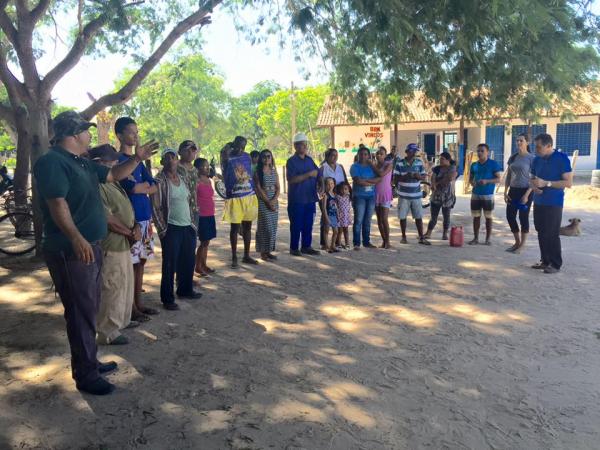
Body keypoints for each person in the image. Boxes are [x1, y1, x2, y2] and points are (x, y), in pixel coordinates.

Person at [33, 110, 157, 395]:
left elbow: (113, 174)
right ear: (74, 135)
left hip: (92, 246)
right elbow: (57, 203)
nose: (90, 136)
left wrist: (136, 158)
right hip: (71, 250)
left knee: (89, 307)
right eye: (86, 132)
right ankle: (85, 374)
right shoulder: (52, 162)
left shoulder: (83, 163)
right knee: (80, 311)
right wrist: (76, 237)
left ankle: (89, 361)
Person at [90, 144, 139, 346]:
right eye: (112, 161)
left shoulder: (113, 182)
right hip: (111, 244)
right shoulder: (98, 184)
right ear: (100, 163)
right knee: (111, 287)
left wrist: (134, 226)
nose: (116, 163)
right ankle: (107, 332)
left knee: (123, 285)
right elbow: (107, 218)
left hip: (123, 243)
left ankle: (118, 323)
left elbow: (124, 208)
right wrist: (129, 232)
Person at [114, 117, 159, 322]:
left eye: (136, 131)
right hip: (130, 221)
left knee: (141, 262)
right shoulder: (119, 161)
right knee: (130, 264)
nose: (135, 135)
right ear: (120, 135)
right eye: (131, 132)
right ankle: (130, 308)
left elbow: (153, 185)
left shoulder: (138, 163)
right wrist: (143, 189)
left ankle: (138, 303)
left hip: (145, 220)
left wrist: (143, 189)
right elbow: (131, 188)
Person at [152, 148, 202, 311]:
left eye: (173, 158)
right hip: (171, 227)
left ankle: (185, 290)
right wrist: (163, 229)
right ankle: (167, 298)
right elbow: (156, 207)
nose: (171, 161)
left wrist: (193, 222)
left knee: (188, 260)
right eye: (167, 158)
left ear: (177, 161)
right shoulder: (159, 180)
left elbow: (189, 200)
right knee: (169, 264)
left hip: (187, 225)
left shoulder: (182, 178)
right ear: (162, 162)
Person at [530, 133, 573, 274]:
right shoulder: (536, 160)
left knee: (552, 233)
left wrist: (546, 183)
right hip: (539, 201)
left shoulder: (562, 159)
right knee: (541, 231)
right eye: (535, 146)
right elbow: (532, 178)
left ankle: (555, 264)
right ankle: (545, 261)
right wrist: (534, 187)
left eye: (539, 147)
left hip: (554, 202)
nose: (536, 150)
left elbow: (568, 183)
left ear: (549, 146)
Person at [222, 136, 258, 268]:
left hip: (249, 195)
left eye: (243, 147)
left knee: (248, 227)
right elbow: (223, 153)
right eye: (238, 146)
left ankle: (246, 255)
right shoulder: (227, 157)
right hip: (234, 196)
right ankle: (234, 257)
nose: (240, 149)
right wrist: (228, 146)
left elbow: (251, 173)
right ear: (233, 144)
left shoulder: (247, 156)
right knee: (235, 228)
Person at [286, 133, 320, 256]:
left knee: (308, 224)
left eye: (305, 144)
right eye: (301, 144)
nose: (304, 147)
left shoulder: (310, 160)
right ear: (295, 146)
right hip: (297, 199)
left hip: (310, 198)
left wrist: (321, 183)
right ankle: (294, 248)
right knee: (296, 224)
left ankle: (306, 246)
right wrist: (309, 175)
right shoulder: (291, 162)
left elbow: (317, 173)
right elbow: (291, 180)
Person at [393, 143, 430, 245]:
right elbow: (395, 180)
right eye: (412, 151)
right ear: (407, 152)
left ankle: (421, 237)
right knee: (402, 217)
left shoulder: (419, 163)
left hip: (416, 195)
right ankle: (403, 237)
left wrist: (418, 176)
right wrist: (406, 176)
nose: (414, 153)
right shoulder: (399, 163)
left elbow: (423, 177)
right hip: (403, 196)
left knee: (418, 217)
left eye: (415, 151)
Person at [504, 134, 535, 253]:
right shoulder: (513, 157)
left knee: (523, 217)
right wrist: (505, 191)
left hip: (526, 191)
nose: (518, 142)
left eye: (521, 140)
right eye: (517, 140)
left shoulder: (532, 158)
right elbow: (509, 175)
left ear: (527, 142)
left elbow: (534, 178)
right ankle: (516, 242)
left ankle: (522, 245)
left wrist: (527, 195)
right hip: (513, 190)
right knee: (510, 216)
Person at [468, 143, 503, 245]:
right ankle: (475, 238)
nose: (479, 153)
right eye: (478, 151)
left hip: (488, 195)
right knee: (476, 217)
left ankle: (488, 239)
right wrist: (472, 182)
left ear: (487, 152)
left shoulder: (493, 164)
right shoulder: (474, 165)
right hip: (475, 194)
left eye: (482, 151)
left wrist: (487, 181)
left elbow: (498, 179)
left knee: (488, 217)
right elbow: (470, 178)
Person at [350, 146, 381, 250]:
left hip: (371, 196)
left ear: (369, 155)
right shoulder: (354, 167)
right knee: (358, 220)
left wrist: (367, 181)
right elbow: (358, 181)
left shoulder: (372, 166)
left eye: (366, 154)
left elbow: (380, 177)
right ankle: (356, 243)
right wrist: (372, 181)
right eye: (361, 154)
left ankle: (366, 242)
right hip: (359, 197)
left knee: (367, 220)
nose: (363, 156)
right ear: (358, 155)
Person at [318, 148, 349, 249]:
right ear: (327, 156)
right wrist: (322, 193)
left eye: (336, 155)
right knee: (325, 217)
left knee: (337, 217)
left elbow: (345, 181)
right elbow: (319, 182)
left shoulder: (340, 167)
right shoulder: (323, 167)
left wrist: (349, 193)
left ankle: (336, 242)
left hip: (338, 197)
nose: (335, 157)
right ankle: (324, 243)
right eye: (332, 155)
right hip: (326, 196)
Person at [254, 149, 280, 261]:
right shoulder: (258, 172)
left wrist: (274, 200)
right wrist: (268, 202)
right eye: (264, 156)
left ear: (271, 158)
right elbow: (258, 189)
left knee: (273, 228)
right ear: (261, 158)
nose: (267, 158)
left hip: (274, 200)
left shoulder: (274, 171)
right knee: (265, 227)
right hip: (263, 201)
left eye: (269, 156)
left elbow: (278, 188)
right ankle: (263, 253)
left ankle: (268, 251)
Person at [425, 152, 457, 240]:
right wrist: (433, 184)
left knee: (446, 216)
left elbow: (449, 178)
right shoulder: (437, 169)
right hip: (436, 196)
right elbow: (433, 178)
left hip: (447, 197)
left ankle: (445, 234)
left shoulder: (452, 168)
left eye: (442, 159)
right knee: (433, 217)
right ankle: (428, 233)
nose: (440, 160)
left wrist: (436, 184)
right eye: (440, 159)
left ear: (448, 160)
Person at [193, 158, 216, 276]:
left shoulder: (208, 180)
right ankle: (198, 266)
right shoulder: (196, 181)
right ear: (197, 168)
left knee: (207, 242)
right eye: (205, 167)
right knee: (203, 241)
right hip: (201, 215)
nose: (208, 169)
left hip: (210, 214)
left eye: (208, 167)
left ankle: (204, 264)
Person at [374, 146, 394, 248]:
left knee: (384, 218)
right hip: (375, 194)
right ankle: (384, 240)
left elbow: (381, 174)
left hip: (385, 194)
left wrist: (372, 166)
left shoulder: (388, 164)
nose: (379, 155)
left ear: (385, 155)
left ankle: (388, 241)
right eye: (377, 153)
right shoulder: (374, 165)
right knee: (379, 219)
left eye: (381, 153)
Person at [177, 140, 199, 215]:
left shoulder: (195, 170)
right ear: (179, 152)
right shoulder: (174, 168)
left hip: (193, 209)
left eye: (193, 151)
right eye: (187, 151)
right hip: (179, 210)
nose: (190, 153)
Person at [321, 177, 340, 253]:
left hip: (334, 215)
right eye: (328, 184)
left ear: (334, 184)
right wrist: (326, 217)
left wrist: (338, 215)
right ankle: (327, 246)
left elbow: (336, 206)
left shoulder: (335, 194)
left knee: (336, 231)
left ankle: (333, 245)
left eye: (331, 183)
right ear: (325, 185)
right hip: (327, 215)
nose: (330, 185)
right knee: (326, 231)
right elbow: (324, 208)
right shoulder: (325, 195)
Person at [335, 182, 352, 249]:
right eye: (342, 189)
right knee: (340, 231)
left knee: (346, 230)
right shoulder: (337, 197)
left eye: (346, 189)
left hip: (346, 217)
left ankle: (347, 244)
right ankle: (338, 244)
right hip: (340, 216)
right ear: (339, 190)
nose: (344, 191)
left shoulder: (349, 197)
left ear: (348, 190)